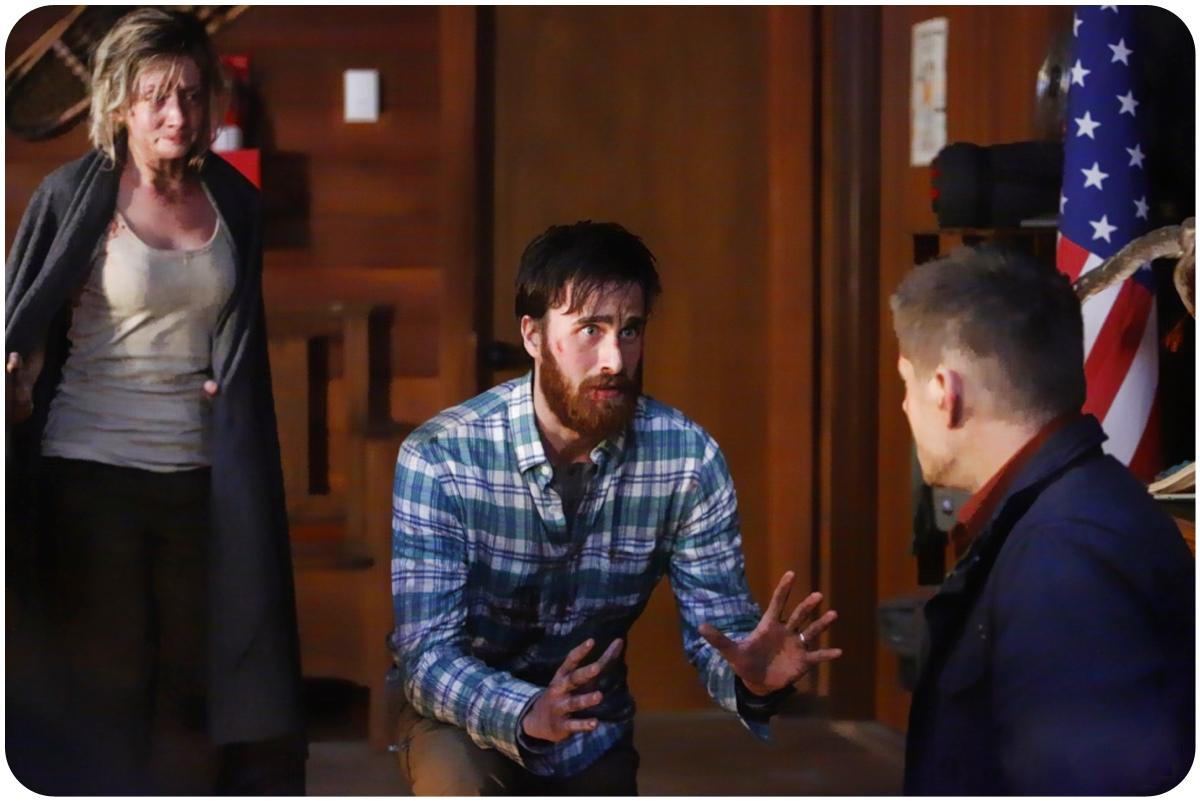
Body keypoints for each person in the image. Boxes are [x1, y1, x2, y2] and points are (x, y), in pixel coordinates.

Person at [389, 220, 842, 795]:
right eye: (590, 329)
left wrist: (751, 679)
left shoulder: (687, 458)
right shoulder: (441, 455)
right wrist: (525, 710)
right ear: (532, 335)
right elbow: (426, 654)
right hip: (461, 717)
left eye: (630, 331)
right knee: (454, 779)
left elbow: (719, 630)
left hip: (591, 727)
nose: (614, 359)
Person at [5, 8, 305, 795]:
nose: (179, 114)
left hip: (200, 476)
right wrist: (17, 379)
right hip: (89, 467)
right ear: (120, 106)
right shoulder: (73, 196)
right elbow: (25, 318)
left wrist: (223, 383)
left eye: (193, 95)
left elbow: (235, 336)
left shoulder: (234, 202)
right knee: (106, 683)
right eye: (157, 97)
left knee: (193, 683)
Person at [890, 246, 1195, 795]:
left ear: (942, 393)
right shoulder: (1065, 514)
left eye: (906, 385)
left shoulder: (1066, 554)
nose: (905, 408)